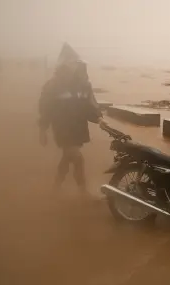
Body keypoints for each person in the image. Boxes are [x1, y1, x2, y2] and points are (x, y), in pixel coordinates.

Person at [38, 43, 107, 195]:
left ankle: (56, 185)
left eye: (76, 63)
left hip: (78, 128)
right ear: (63, 65)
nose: (75, 66)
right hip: (62, 128)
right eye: (71, 63)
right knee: (77, 158)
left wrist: (99, 118)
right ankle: (83, 191)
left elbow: (90, 105)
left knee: (68, 157)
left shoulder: (84, 84)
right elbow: (45, 109)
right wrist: (42, 130)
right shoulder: (53, 85)